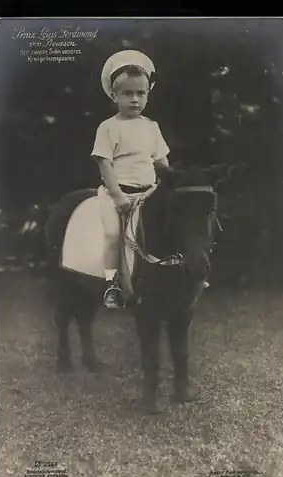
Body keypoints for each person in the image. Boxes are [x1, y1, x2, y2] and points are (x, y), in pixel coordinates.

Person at [91, 50, 173, 308]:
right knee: (114, 235)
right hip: (118, 193)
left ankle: (179, 270)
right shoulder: (108, 127)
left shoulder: (151, 127)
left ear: (148, 94)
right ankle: (112, 283)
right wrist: (117, 195)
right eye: (127, 94)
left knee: (171, 223)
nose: (135, 99)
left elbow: (161, 162)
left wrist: (168, 185)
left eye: (141, 93)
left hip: (148, 192)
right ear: (114, 96)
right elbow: (104, 162)